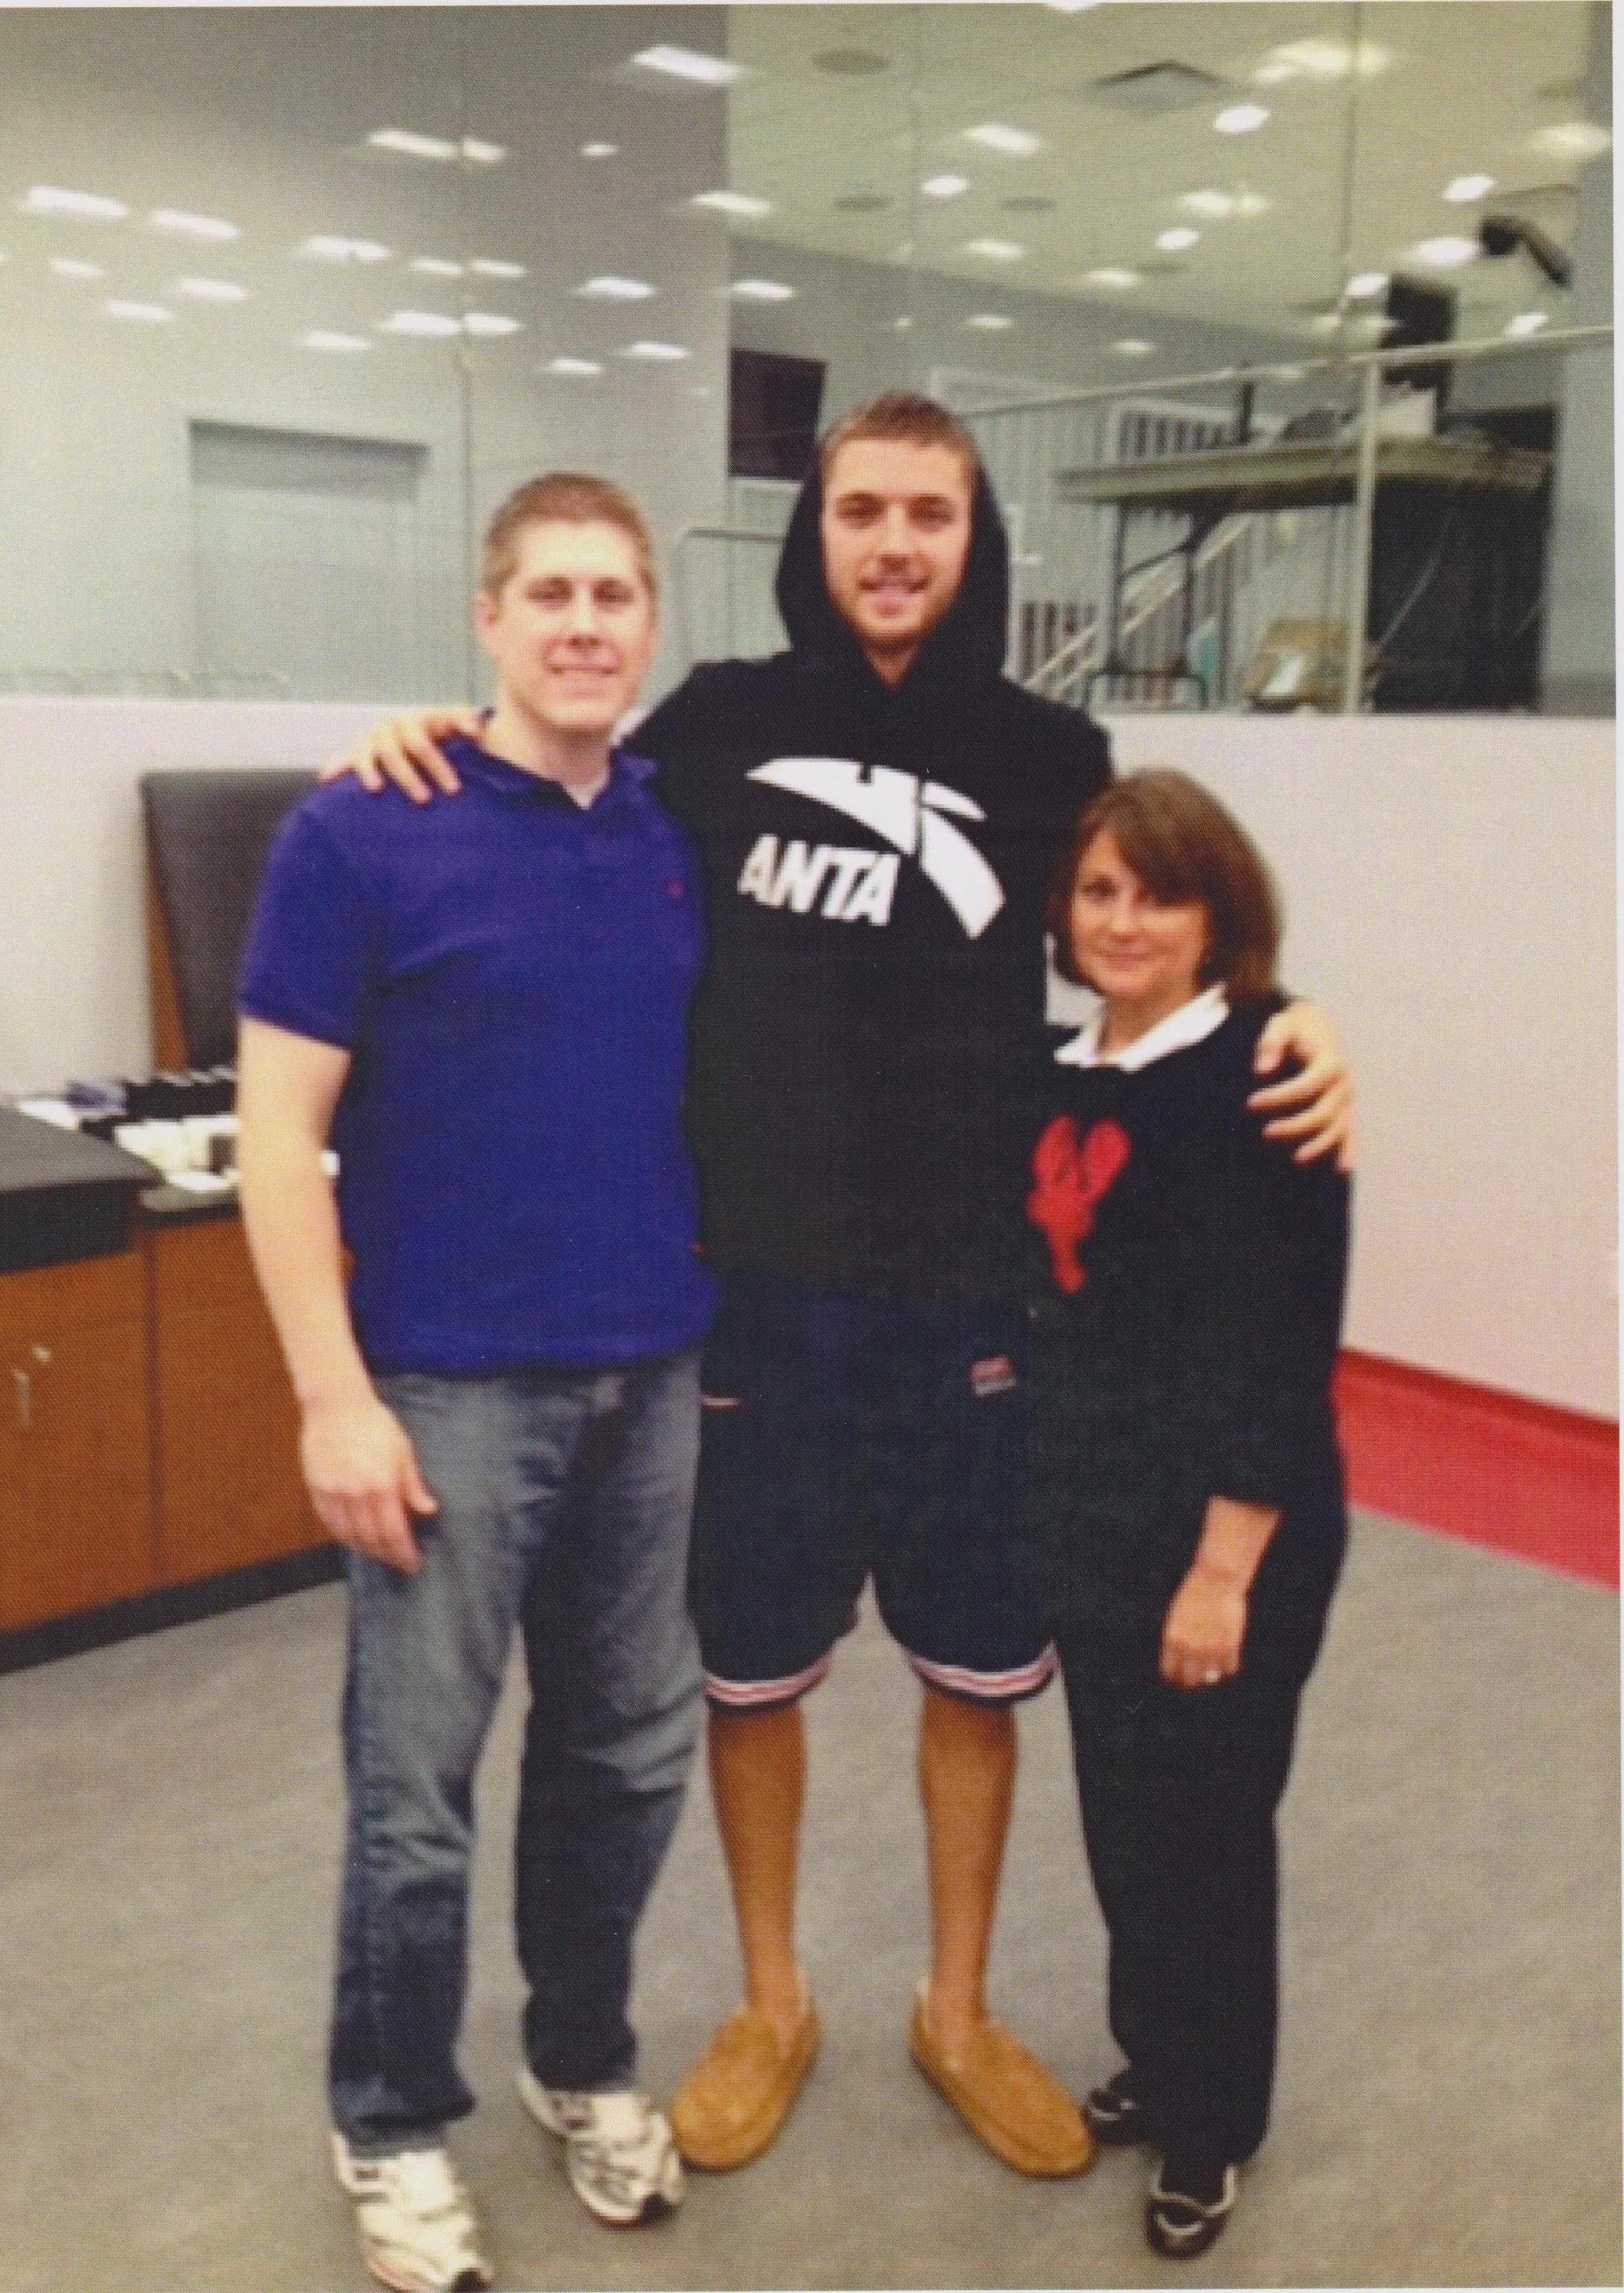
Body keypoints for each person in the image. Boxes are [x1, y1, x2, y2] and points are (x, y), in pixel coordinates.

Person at [323, 394, 1355, 2185]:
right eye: (863, 510)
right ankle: (772, 1999)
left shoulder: (1050, 750)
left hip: (977, 1309)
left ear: (974, 540)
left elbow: (1151, 925)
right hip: (761, 1306)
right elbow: (554, 783)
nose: (895, 545)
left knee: (978, 1677)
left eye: (931, 517)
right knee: (752, 1678)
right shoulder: (719, 723)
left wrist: (1289, 1014)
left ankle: (955, 2011)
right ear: (817, 530)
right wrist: (425, 735)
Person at [237, 474, 716, 2293]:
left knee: (622, 1759)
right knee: (415, 1788)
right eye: (553, 595)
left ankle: (578, 2059)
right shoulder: (365, 825)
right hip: (444, 1391)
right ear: (489, 619)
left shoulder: (672, 829)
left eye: (617, 595)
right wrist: (329, 1398)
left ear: (650, 625)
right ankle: (388, 2120)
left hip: (652, 1373)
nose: (587, 624)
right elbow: (279, 1138)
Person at [1016, 771, 1350, 2261]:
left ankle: (1216, 2129)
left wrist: (1223, 1568)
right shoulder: (1061, 1067)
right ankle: (1161, 2058)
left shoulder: (1266, 1076)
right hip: (1092, 1510)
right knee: (1124, 1819)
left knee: (1209, 1829)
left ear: (1218, 916)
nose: (1125, 920)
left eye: (1158, 893)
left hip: (1230, 1531)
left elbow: (1286, 1343)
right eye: (1099, 891)